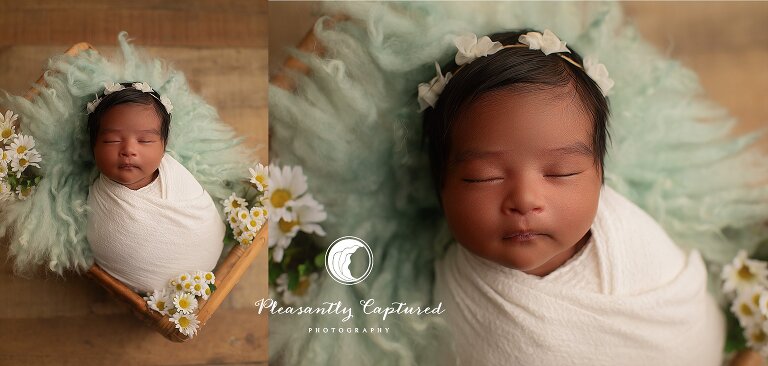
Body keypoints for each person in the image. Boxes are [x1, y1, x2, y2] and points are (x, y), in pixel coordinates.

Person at [423, 29, 725, 365]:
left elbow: (690, 334)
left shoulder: (638, 249)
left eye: (561, 172)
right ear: (440, 184)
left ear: (599, 176)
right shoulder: (448, 292)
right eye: (484, 176)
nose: (524, 200)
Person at [85, 82, 224, 293]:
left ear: (163, 147)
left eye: (145, 140)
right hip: (151, 295)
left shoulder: (176, 177)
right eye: (112, 140)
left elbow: (202, 213)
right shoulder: (97, 198)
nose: (129, 150)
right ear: (93, 146)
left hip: (206, 260)